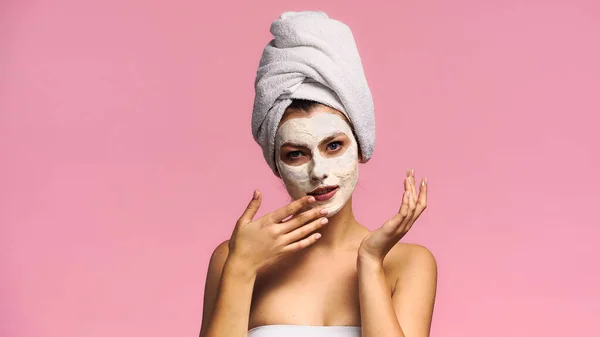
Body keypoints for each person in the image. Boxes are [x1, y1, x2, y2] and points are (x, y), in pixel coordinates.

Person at [199, 11, 437, 337]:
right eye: (296, 153)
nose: (318, 172)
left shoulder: (407, 263)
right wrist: (241, 268)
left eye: (334, 146)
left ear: (360, 146)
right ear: (276, 164)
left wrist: (369, 261)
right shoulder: (234, 257)